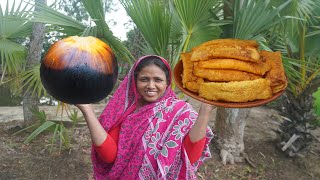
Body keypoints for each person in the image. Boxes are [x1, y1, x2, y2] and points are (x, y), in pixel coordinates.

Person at [76, 55, 215, 179]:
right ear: (134, 81)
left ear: (167, 83)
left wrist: (205, 111)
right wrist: (87, 110)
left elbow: (189, 156)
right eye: (144, 79)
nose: (151, 85)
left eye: (158, 80)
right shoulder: (123, 113)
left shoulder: (180, 113)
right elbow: (109, 156)